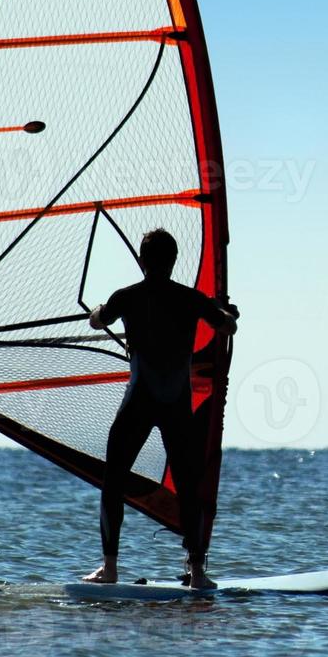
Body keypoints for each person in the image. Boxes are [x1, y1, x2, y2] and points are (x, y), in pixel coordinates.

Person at [83, 228, 239, 589]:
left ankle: (109, 569)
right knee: (188, 485)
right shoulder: (192, 299)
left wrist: (96, 312)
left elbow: (98, 320)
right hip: (176, 405)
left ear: (142, 261)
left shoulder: (126, 297)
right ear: (173, 262)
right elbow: (228, 327)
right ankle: (198, 573)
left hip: (138, 401)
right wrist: (222, 311)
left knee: (113, 482)